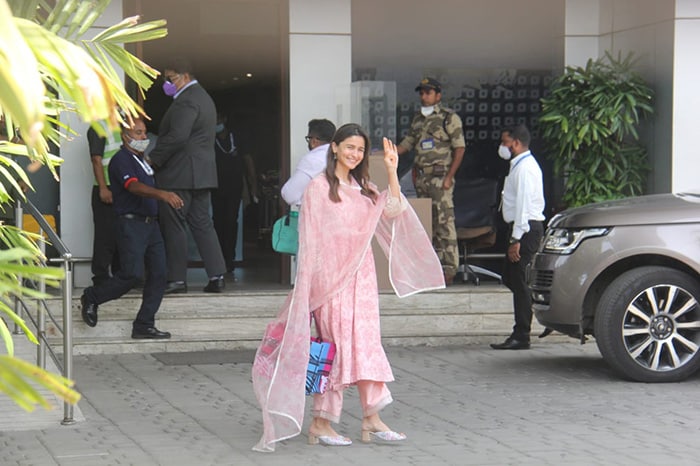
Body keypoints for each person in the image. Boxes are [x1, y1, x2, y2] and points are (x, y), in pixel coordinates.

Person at [251, 124, 444, 452]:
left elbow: (394, 211)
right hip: (330, 283)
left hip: (362, 280)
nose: (355, 154)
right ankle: (321, 422)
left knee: (367, 346)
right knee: (336, 351)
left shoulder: (364, 187)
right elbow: (310, 241)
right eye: (350, 147)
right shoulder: (318, 187)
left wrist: (393, 172)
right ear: (335, 148)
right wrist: (310, 289)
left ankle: (372, 418)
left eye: (360, 150)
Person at [80, 118, 184, 339]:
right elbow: (133, 186)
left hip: (151, 225)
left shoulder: (141, 160)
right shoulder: (121, 160)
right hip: (131, 223)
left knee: (158, 274)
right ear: (125, 136)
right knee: (131, 274)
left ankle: (144, 324)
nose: (143, 137)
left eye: (144, 133)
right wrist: (163, 194)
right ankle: (92, 296)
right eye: (137, 133)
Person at [148, 57, 227, 294]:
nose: (167, 84)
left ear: (185, 76)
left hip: (180, 173)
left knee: (174, 225)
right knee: (203, 224)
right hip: (202, 174)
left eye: (170, 78)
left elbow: (177, 137)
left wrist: (154, 158)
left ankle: (177, 279)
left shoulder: (186, 101)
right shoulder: (205, 98)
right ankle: (217, 275)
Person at [397, 77, 465, 285]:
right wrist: (386, 152)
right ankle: (431, 268)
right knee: (427, 224)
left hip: (440, 178)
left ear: (438, 95)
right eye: (422, 92)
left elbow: (460, 148)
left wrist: (449, 177)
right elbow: (408, 143)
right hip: (422, 178)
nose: (424, 96)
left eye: (428, 92)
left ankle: (449, 268)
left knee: (444, 222)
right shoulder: (418, 119)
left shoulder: (448, 118)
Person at [490, 124, 545, 350]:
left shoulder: (525, 168)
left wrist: (516, 239)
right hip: (521, 228)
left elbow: (523, 206)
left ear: (516, 143)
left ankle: (522, 333)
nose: (502, 147)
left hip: (525, 229)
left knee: (520, 282)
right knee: (511, 278)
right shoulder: (519, 165)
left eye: (505, 142)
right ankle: (530, 310)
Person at [211, 111, 257, 278]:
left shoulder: (236, 138)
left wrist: (253, 185)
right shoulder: (210, 139)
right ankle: (217, 261)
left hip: (234, 188)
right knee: (217, 224)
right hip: (215, 188)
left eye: (217, 119)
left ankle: (229, 260)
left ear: (224, 119)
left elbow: (248, 161)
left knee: (231, 222)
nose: (215, 123)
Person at [87, 123, 122, 286]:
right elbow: (96, 159)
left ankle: (119, 276)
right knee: (105, 236)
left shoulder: (120, 124)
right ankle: (101, 278)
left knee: (120, 233)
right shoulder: (98, 126)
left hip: (121, 188)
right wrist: (102, 188)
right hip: (106, 187)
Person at [280, 118, 336, 206]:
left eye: (308, 139)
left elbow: (289, 195)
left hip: (317, 216)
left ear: (313, 141)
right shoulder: (340, 157)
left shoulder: (312, 159)